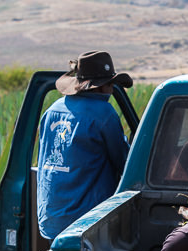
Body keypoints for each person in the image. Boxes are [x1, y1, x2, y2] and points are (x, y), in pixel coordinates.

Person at [37, 50, 132, 240]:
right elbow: (125, 164)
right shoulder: (103, 112)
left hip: (50, 218)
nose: (112, 91)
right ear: (100, 87)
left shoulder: (52, 111)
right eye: (110, 84)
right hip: (85, 222)